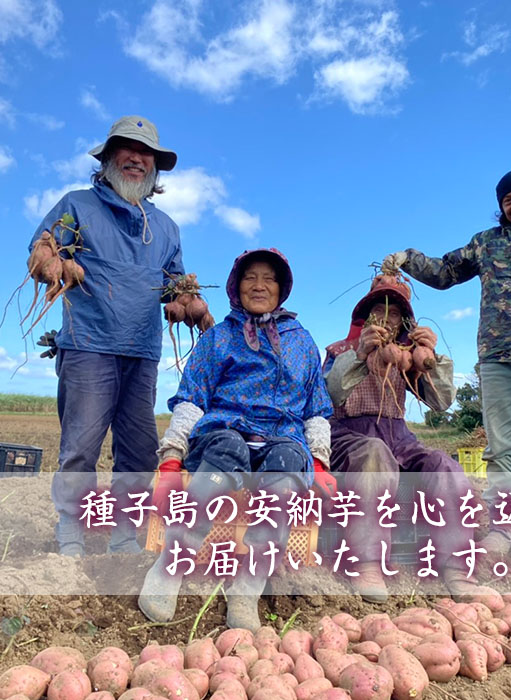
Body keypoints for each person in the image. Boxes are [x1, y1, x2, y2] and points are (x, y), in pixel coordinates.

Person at [383, 168, 511, 565]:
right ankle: (501, 526)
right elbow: (445, 273)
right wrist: (408, 257)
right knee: (500, 448)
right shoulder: (487, 243)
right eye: (507, 201)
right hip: (495, 357)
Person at [138, 248, 334, 631]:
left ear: (282, 288)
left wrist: (320, 461)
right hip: (224, 433)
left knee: (290, 461)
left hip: (282, 437)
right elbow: (192, 399)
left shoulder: (302, 342)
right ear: (236, 285)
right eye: (250, 277)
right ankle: (172, 564)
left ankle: (247, 587)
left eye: (269, 278)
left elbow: (316, 409)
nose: (259, 285)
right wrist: (172, 457)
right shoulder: (219, 337)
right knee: (229, 448)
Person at [28, 115, 184, 557]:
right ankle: (71, 529)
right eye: (127, 148)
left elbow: (174, 282)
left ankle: (123, 534)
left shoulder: (166, 227)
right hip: (88, 345)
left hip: (142, 349)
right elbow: (40, 252)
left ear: (155, 166)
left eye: (146, 153)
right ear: (109, 156)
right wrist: (52, 262)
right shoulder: (76, 205)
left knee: (138, 451)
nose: (137, 158)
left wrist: (187, 301)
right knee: (80, 446)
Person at [323, 274, 476, 602]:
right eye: (379, 310)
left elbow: (442, 401)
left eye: (394, 314)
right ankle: (368, 563)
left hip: (399, 435)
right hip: (350, 436)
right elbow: (330, 395)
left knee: (443, 465)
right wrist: (360, 355)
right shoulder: (341, 351)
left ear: (403, 322)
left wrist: (431, 359)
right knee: (375, 452)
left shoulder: (405, 358)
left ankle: (455, 567)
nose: (386, 319)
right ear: (366, 317)